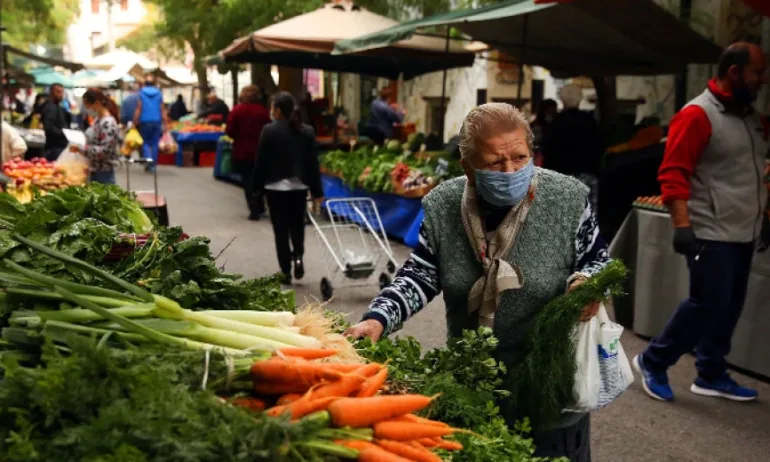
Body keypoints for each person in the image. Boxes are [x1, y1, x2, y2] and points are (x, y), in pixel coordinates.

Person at [346, 103, 611, 461]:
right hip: (473, 381)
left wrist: (587, 284)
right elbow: (422, 273)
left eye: (520, 157)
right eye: (495, 163)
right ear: (468, 169)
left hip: (551, 382)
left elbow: (598, 261)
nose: (511, 170)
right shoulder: (443, 207)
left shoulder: (568, 199)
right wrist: (378, 318)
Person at [633, 42, 769, 403]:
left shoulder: (751, 119)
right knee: (708, 301)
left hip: (743, 230)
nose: (763, 80)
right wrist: (681, 226)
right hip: (710, 228)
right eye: (758, 72)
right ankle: (653, 360)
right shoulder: (696, 115)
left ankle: (710, 373)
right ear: (735, 72)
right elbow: (673, 173)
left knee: (731, 304)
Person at [253, 92, 324, 284]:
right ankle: (298, 256)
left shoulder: (269, 131)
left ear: (277, 110)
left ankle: (285, 271)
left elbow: (261, 162)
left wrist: (256, 188)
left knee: (280, 230)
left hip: (274, 187)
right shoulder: (306, 131)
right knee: (297, 225)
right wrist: (317, 192)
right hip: (299, 187)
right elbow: (312, 164)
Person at [541, 84, 604, 212]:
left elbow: (546, 149)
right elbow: (599, 146)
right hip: (587, 176)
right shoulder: (590, 121)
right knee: (587, 218)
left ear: (562, 100)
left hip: (559, 177)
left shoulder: (555, 122)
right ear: (580, 99)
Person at [226, 85, 272, 220]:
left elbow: (229, 130)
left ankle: (254, 210)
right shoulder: (263, 112)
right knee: (260, 179)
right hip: (261, 151)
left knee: (247, 181)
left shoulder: (237, 111)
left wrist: (238, 137)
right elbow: (269, 129)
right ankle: (261, 205)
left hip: (241, 151)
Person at [82, 88, 121, 184]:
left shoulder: (108, 123)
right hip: (95, 171)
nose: (87, 110)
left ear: (97, 103)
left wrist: (83, 149)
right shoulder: (97, 120)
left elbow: (105, 151)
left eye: (88, 106)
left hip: (104, 174)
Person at [133, 74, 167, 172]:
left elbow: (139, 108)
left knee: (146, 142)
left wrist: (135, 121)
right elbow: (162, 109)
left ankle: (148, 159)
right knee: (155, 143)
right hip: (156, 121)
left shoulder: (141, 93)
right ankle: (153, 165)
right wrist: (165, 123)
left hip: (144, 121)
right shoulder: (159, 93)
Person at [40, 83, 72, 161]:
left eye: (62, 92)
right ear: (51, 92)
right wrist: (64, 133)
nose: (60, 94)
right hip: (54, 148)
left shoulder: (58, 107)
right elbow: (48, 127)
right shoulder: (51, 107)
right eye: (58, 92)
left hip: (57, 147)